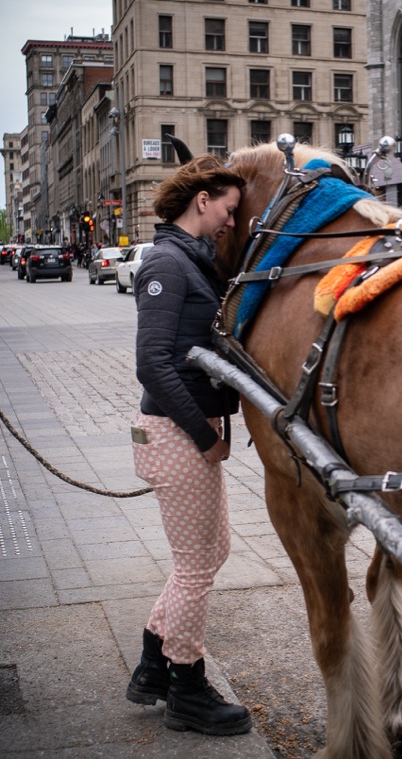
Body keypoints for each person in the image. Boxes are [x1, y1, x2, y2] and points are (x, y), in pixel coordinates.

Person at [125, 154, 250, 736]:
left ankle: (154, 665)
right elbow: (152, 363)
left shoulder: (191, 261)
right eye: (228, 208)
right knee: (196, 567)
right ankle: (188, 689)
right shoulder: (167, 263)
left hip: (186, 433)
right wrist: (205, 438)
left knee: (212, 552)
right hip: (177, 435)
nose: (231, 220)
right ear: (203, 201)